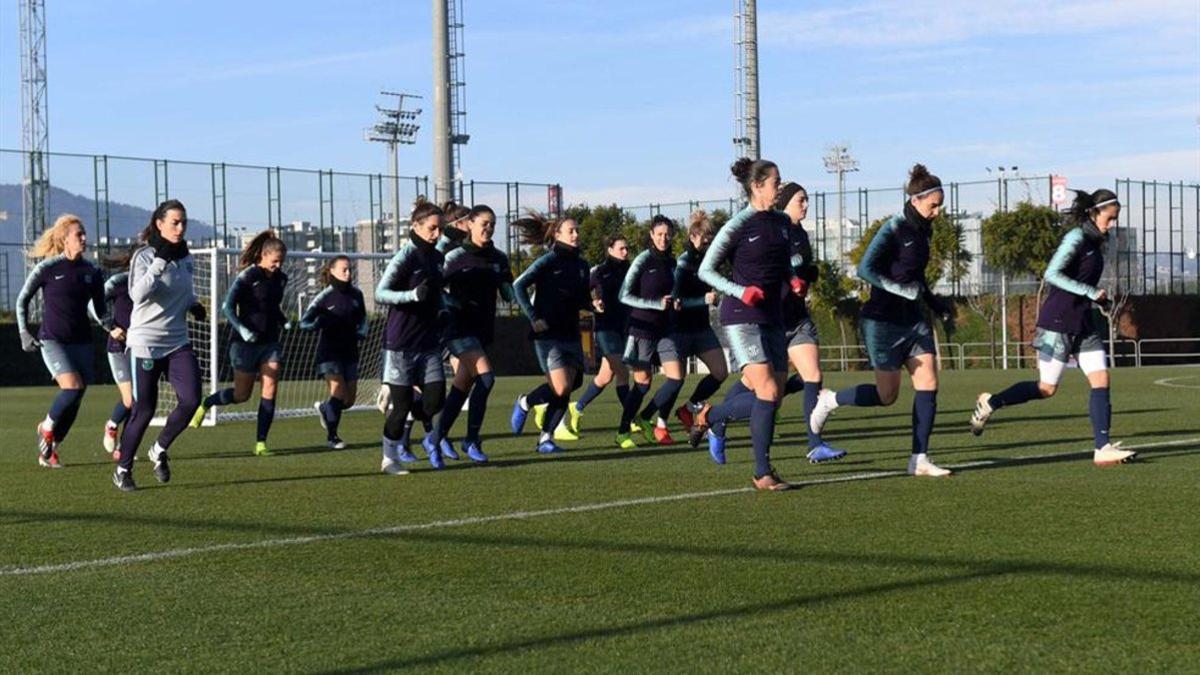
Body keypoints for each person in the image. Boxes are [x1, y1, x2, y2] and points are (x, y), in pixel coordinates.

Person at [970, 189, 1137, 466]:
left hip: (1083, 321)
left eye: (1115, 219)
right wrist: (1088, 291)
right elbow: (1051, 274)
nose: (1112, 224)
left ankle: (1102, 447)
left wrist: (1098, 299)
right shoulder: (1076, 238)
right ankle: (991, 403)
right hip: (1058, 321)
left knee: (1101, 379)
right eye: (1110, 218)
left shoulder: (1096, 242)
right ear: (1094, 213)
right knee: (1047, 388)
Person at [808, 164, 955, 478]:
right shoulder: (893, 228)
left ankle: (919, 458)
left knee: (929, 381)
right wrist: (901, 290)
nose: (938, 212)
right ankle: (831, 400)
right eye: (934, 205)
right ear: (915, 200)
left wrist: (935, 304)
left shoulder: (925, 230)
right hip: (882, 321)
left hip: (913, 320)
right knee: (887, 396)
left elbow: (915, 278)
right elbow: (865, 270)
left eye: (941, 205)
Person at [695, 158, 803, 491]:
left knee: (775, 394)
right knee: (767, 391)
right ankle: (762, 472)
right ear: (757, 187)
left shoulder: (783, 224)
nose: (780, 187)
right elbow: (706, 271)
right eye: (776, 182)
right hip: (741, 316)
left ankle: (710, 416)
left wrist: (793, 281)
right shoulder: (738, 225)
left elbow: (781, 267)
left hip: (773, 315)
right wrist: (741, 291)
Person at [113, 200, 206, 491]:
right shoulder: (145, 255)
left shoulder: (186, 257)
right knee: (144, 410)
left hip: (178, 342)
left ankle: (158, 449)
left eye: (183, 223)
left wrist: (194, 305)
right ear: (159, 224)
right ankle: (123, 468)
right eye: (175, 222)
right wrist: (160, 261)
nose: (180, 228)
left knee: (191, 400)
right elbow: (137, 295)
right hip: (145, 345)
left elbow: (183, 291)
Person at [17, 213, 110, 469]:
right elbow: (22, 300)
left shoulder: (92, 271)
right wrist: (24, 332)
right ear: (64, 239)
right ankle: (45, 427)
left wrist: (113, 328)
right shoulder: (47, 268)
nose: (84, 238)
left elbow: (101, 312)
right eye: (78, 234)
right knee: (71, 387)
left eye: (84, 234)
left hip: (82, 341)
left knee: (77, 396)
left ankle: (50, 451)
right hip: (52, 340)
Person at [190, 230, 289, 457]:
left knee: (270, 389)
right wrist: (243, 330)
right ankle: (207, 402)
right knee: (242, 394)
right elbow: (227, 307)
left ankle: (261, 443)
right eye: (275, 261)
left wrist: (284, 322)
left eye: (281, 262)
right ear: (263, 256)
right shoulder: (248, 276)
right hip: (243, 345)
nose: (278, 266)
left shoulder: (281, 279)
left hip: (270, 343)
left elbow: (273, 308)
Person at [426, 204, 512, 464]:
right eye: (484, 222)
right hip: (458, 328)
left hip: (483, 328)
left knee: (463, 385)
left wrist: (508, 285)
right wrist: (451, 303)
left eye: (493, 224)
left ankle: (435, 437)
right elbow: (434, 287)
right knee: (486, 378)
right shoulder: (456, 256)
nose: (488, 227)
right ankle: (471, 439)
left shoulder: (499, 258)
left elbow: (508, 293)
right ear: (471, 224)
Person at [775, 182, 847, 464]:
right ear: (784, 203)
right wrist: (793, 272)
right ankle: (713, 417)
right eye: (800, 200)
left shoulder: (801, 233)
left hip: (797, 317)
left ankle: (815, 443)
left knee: (813, 375)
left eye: (806, 200)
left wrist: (808, 274)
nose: (805, 205)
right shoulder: (775, 231)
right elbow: (773, 267)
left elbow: (800, 268)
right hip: (772, 319)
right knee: (761, 391)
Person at [509, 214, 593, 454]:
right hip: (548, 336)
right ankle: (536, 421)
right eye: (571, 231)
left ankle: (539, 426)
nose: (576, 235)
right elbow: (518, 286)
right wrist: (533, 317)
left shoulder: (582, 265)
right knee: (561, 387)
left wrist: (592, 304)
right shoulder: (548, 261)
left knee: (572, 383)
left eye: (577, 230)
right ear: (557, 235)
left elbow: (581, 299)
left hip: (571, 333)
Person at [375, 200, 447, 474]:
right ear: (416, 227)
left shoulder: (437, 258)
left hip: (428, 343)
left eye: (440, 229)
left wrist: (444, 309)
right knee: (402, 406)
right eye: (432, 228)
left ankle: (402, 400)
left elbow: (437, 293)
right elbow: (381, 293)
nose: (437, 234)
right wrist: (412, 296)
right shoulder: (405, 257)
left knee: (435, 401)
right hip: (401, 343)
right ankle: (389, 458)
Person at [614, 215, 678, 448]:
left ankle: (645, 416)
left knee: (676, 378)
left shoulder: (672, 263)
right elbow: (624, 295)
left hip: (665, 329)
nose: (664, 238)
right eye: (659, 234)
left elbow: (670, 294)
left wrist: (675, 302)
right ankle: (622, 432)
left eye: (667, 234)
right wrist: (656, 304)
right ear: (651, 235)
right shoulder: (643, 259)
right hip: (641, 328)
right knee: (643, 383)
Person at [662, 210, 728, 436]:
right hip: (679, 329)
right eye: (704, 238)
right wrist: (703, 299)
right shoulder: (683, 262)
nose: (708, 242)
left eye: (710, 238)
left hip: (701, 327)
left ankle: (688, 409)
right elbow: (676, 299)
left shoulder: (709, 261)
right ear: (692, 237)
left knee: (721, 371)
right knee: (675, 380)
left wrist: (714, 297)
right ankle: (659, 423)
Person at [563, 234, 631, 435]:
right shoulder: (599, 272)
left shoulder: (631, 270)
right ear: (609, 249)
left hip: (624, 328)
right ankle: (631, 417)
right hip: (604, 329)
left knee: (604, 377)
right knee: (623, 373)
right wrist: (594, 303)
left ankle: (577, 407)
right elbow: (586, 294)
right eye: (621, 248)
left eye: (627, 248)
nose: (626, 252)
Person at [299, 254, 368, 449]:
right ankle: (332, 437)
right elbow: (304, 323)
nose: (348, 273)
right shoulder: (324, 297)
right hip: (328, 353)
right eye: (344, 269)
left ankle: (324, 408)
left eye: (349, 269)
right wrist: (318, 323)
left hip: (350, 352)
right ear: (332, 272)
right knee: (338, 393)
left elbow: (363, 320)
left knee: (348, 401)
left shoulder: (357, 294)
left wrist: (362, 332)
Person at [100, 247, 136, 461]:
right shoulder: (118, 282)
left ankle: (124, 446)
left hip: (142, 348)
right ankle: (112, 425)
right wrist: (111, 326)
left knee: (141, 400)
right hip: (118, 348)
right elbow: (95, 304)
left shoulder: (152, 285)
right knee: (130, 399)